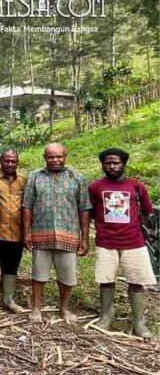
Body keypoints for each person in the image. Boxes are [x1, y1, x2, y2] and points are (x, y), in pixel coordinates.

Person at [89, 148, 156, 337]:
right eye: (108, 163)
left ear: (124, 164)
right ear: (102, 165)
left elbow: (148, 212)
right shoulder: (95, 187)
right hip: (106, 241)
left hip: (134, 242)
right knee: (106, 280)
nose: (112, 166)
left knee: (136, 281)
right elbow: (91, 212)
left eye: (116, 163)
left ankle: (138, 321)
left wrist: (148, 232)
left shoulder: (136, 187)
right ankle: (106, 316)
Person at [23, 143, 91, 324]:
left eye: (59, 156)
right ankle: (36, 307)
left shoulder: (77, 177)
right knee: (39, 274)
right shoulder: (34, 176)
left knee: (67, 276)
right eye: (51, 157)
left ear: (65, 156)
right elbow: (27, 206)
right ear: (44, 157)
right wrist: (26, 232)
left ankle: (64, 308)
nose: (55, 160)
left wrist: (85, 238)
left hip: (68, 234)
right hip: (40, 233)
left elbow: (84, 209)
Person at [0, 150, 27, 313]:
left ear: (18, 162)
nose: (10, 164)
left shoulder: (23, 180)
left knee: (11, 265)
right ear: (0, 161)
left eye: (13, 161)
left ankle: (8, 299)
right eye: (7, 161)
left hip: (16, 231)